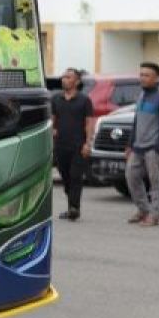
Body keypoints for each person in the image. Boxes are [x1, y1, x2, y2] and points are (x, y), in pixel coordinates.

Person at [125, 62, 159, 227]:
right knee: (131, 176)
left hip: (153, 147)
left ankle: (155, 215)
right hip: (138, 147)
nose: (142, 78)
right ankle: (143, 209)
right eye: (141, 75)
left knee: (155, 182)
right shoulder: (141, 96)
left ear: (156, 78)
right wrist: (130, 144)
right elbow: (136, 121)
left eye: (147, 75)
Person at [51, 67, 94, 221]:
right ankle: (71, 207)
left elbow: (89, 123)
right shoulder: (56, 99)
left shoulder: (84, 100)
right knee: (66, 177)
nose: (64, 79)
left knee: (76, 176)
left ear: (77, 81)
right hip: (61, 145)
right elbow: (52, 120)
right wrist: (52, 131)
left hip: (78, 145)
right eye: (64, 77)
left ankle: (74, 208)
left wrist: (88, 143)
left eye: (68, 77)